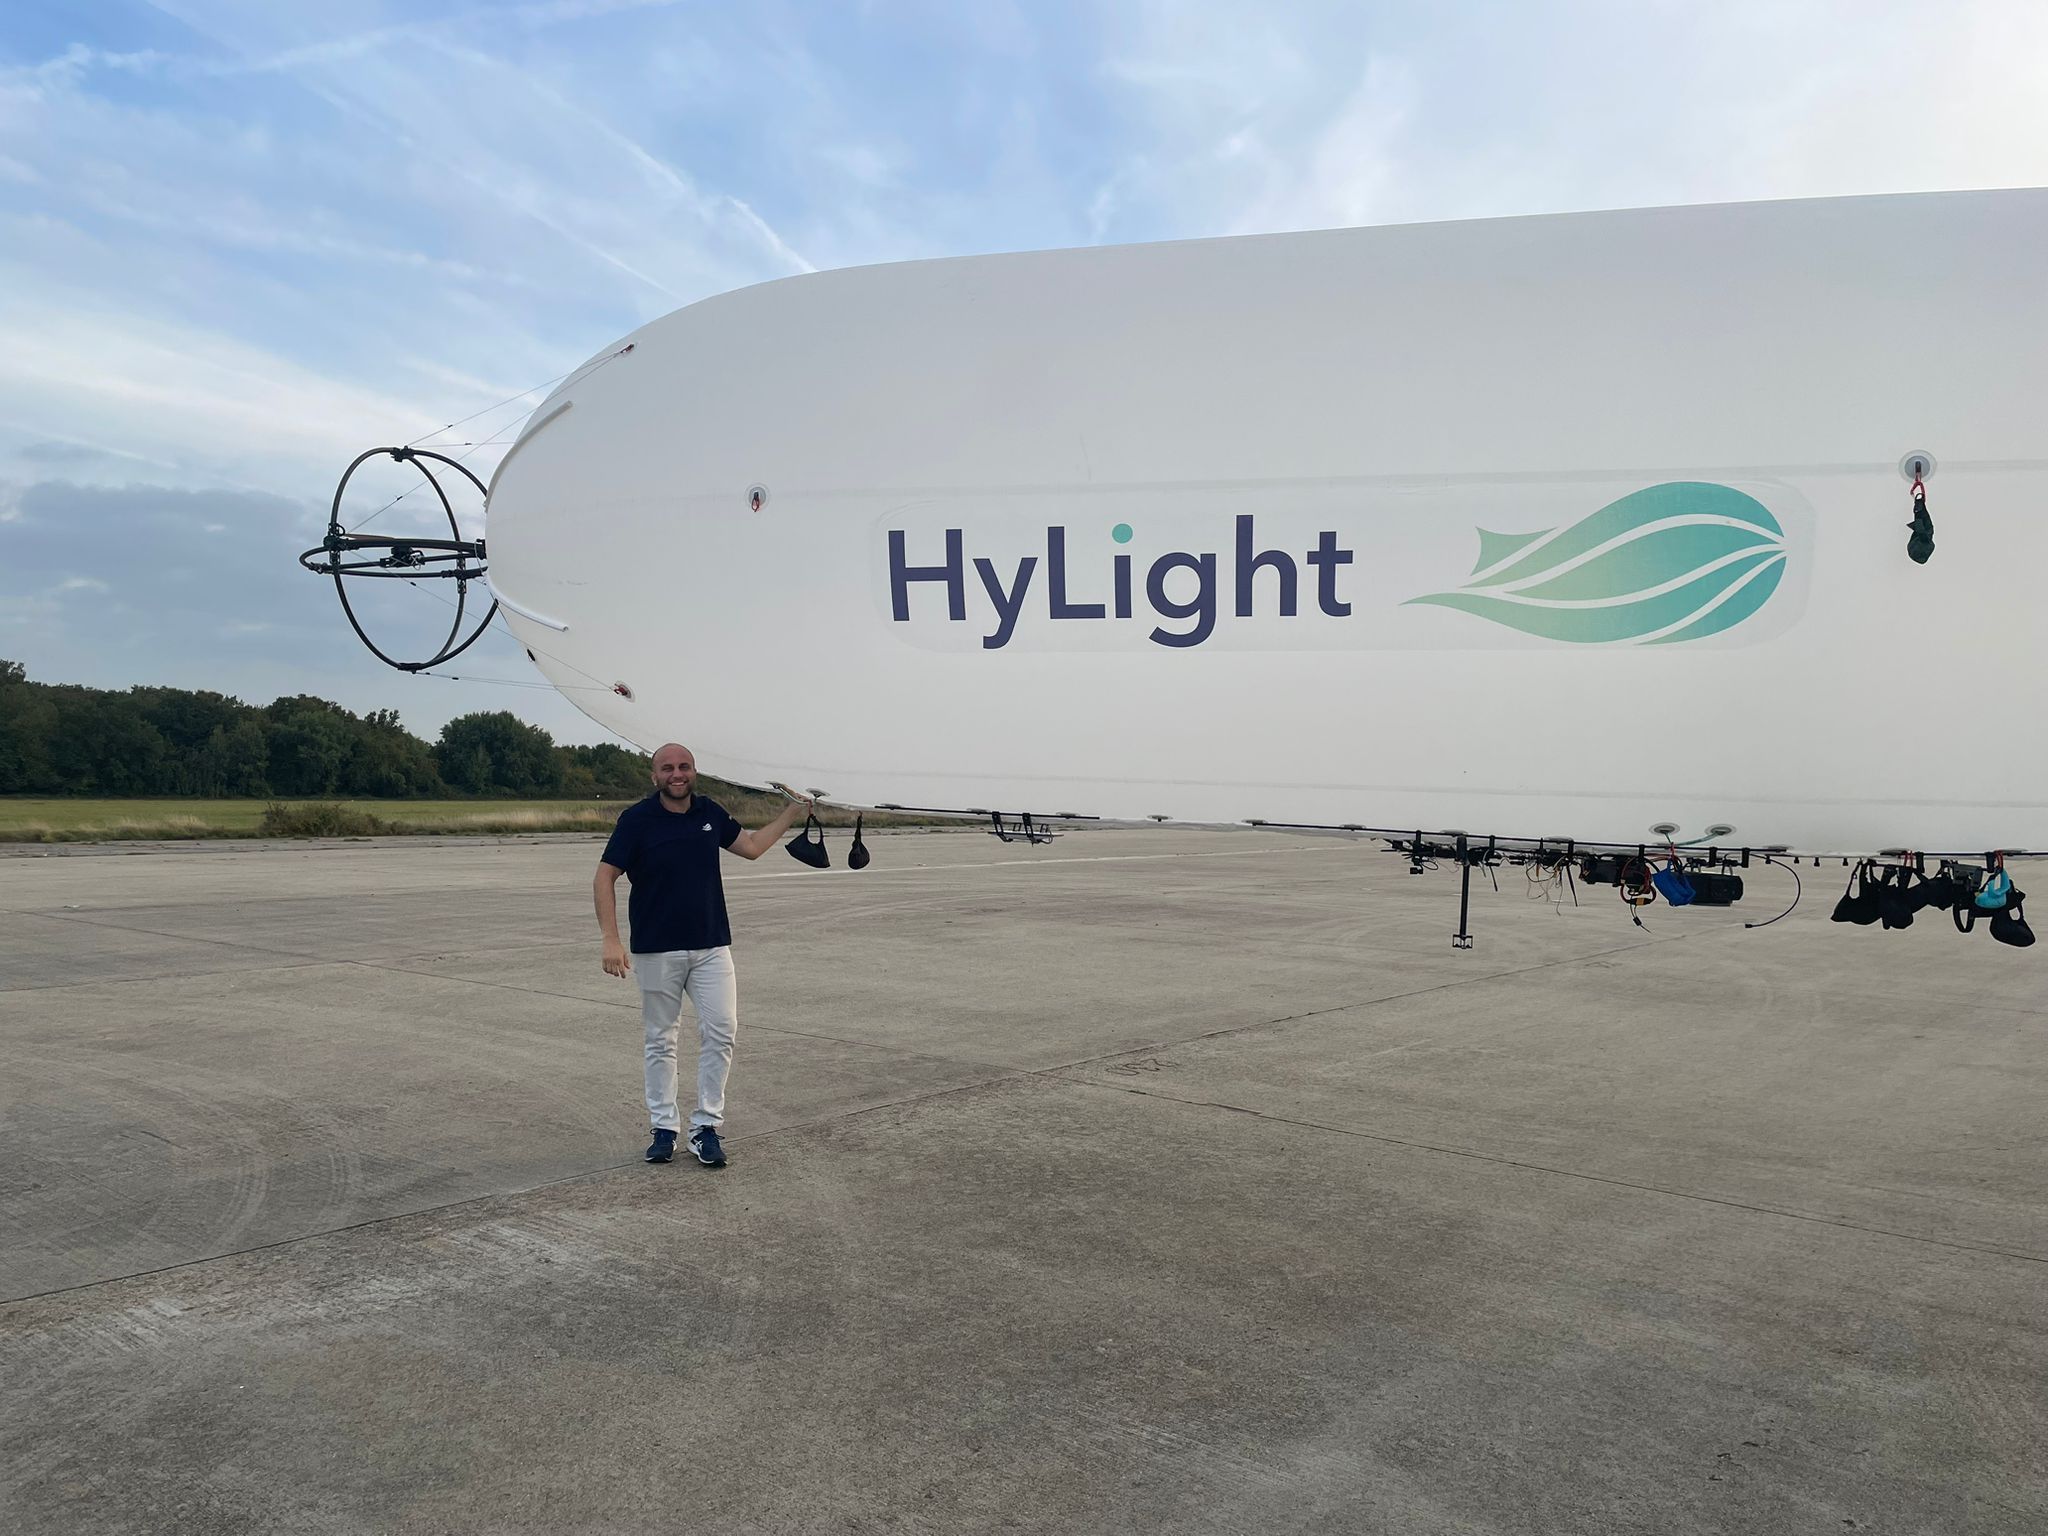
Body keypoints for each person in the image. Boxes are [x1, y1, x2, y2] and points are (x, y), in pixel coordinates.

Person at [594, 743, 812, 1166]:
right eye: (668, 768)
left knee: (722, 1031)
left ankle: (705, 1126)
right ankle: (663, 1127)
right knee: (661, 1039)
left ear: (694, 771)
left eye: (685, 767)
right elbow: (605, 877)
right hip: (657, 949)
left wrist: (792, 812)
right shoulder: (636, 820)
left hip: (711, 946)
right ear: (654, 776)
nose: (677, 774)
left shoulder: (708, 811)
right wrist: (610, 939)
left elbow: (749, 847)